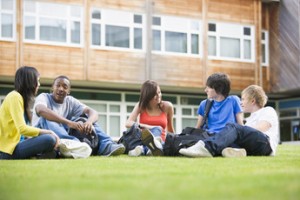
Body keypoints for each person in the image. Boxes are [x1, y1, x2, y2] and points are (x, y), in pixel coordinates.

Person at [31, 75, 125, 156]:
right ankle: (74, 145)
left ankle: (107, 145)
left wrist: (89, 122)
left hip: (61, 136)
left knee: (87, 118)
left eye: (64, 87)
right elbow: (41, 110)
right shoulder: (43, 97)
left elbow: (93, 112)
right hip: (42, 136)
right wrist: (69, 123)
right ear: (52, 87)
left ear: (69, 91)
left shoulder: (70, 101)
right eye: (58, 85)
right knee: (48, 118)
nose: (60, 89)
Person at [179, 85, 279, 158]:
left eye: (243, 99)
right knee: (228, 140)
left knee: (234, 127)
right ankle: (234, 152)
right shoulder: (249, 119)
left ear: (252, 101)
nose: (241, 102)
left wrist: (240, 131)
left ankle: (206, 147)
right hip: (255, 148)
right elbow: (246, 133)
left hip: (266, 144)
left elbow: (262, 127)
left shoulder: (268, 110)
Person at [0, 66, 60, 160]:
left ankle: (37, 155)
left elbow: (21, 132)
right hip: (7, 151)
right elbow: (22, 129)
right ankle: (38, 155)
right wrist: (49, 131)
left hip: (16, 145)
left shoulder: (20, 99)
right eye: (38, 81)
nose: (39, 84)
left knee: (49, 140)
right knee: (49, 138)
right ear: (30, 82)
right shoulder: (15, 97)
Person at [125, 80, 175, 156]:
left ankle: (143, 150)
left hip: (161, 141)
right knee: (156, 128)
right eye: (155, 94)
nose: (158, 96)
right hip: (143, 139)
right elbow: (128, 123)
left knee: (158, 132)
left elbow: (170, 129)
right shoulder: (141, 106)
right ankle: (150, 149)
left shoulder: (167, 106)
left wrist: (174, 142)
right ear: (148, 95)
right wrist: (147, 127)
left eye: (159, 92)